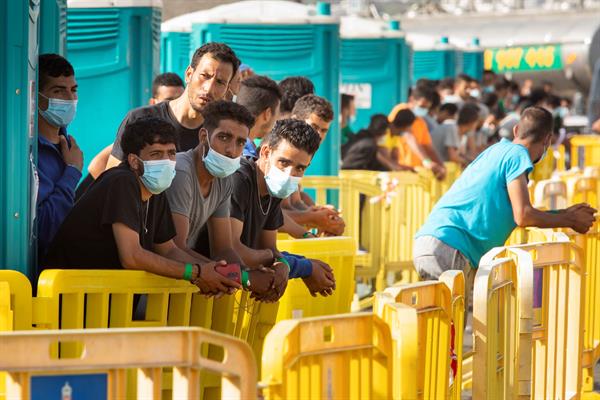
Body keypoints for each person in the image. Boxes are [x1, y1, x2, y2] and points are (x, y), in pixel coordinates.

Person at [41, 117, 248, 296]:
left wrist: (212, 272)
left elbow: (168, 250)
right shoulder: (122, 182)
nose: (166, 161)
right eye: (156, 154)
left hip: (102, 309)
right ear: (133, 160)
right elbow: (131, 256)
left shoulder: (154, 192)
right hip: (70, 305)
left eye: (171, 154)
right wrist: (196, 273)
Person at [414, 107, 596, 310]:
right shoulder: (518, 156)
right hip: (451, 247)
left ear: (516, 129)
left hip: (434, 242)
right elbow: (523, 215)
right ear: (548, 140)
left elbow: (517, 212)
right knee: (447, 335)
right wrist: (570, 220)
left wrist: (565, 213)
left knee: (437, 334)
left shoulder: (496, 150)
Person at [227, 119, 337, 299]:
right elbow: (232, 249)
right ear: (265, 152)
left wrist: (285, 264)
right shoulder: (240, 180)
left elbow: (269, 248)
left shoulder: (274, 190)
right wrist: (299, 266)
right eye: (284, 163)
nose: (289, 174)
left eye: (300, 168)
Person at [106, 42, 240, 169]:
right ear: (189, 74)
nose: (209, 88)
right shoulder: (139, 119)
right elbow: (112, 181)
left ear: (227, 88)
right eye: (205, 76)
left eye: (220, 82)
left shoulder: (219, 134)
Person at [76, 72, 186, 199]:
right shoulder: (142, 128)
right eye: (169, 101)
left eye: (179, 99)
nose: (175, 105)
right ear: (153, 102)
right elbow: (98, 165)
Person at [36, 54, 84, 259]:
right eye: (58, 91)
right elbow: (44, 228)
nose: (70, 99)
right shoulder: (30, 152)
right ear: (36, 97)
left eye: (73, 90)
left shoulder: (69, 145)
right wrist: (72, 172)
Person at [284, 94, 345, 237]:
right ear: (295, 120)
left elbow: (296, 201)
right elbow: (267, 214)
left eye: (324, 130)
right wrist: (313, 218)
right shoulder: (281, 152)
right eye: (314, 127)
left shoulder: (303, 152)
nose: (318, 135)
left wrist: (321, 214)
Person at [387, 87, 446, 180]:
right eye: (422, 106)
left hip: (415, 173)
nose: (423, 110)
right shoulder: (401, 111)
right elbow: (409, 136)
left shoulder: (421, 122)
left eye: (426, 108)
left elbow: (428, 147)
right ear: (412, 99)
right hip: (400, 171)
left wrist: (441, 166)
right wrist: (426, 161)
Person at [235, 75, 282, 158]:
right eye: (277, 114)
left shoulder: (219, 141)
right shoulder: (246, 157)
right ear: (267, 114)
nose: (277, 120)